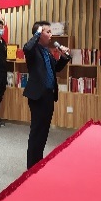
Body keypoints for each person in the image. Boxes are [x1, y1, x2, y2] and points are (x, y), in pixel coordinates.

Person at [23, 21, 70, 169]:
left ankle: (38, 162)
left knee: (44, 131)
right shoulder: (32, 49)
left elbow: (56, 69)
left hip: (49, 95)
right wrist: (37, 32)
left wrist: (63, 57)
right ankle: (31, 167)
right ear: (39, 33)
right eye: (47, 32)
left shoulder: (47, 51)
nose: (51, 35)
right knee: (37, 131)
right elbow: (26, 47)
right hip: (37, 96)